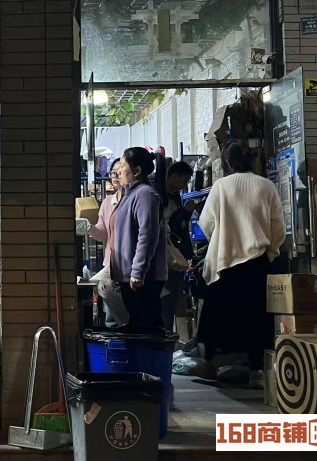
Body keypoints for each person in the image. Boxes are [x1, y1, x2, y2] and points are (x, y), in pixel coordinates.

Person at [196, 140, 286, 388]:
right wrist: (271, 252)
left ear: (227, 163)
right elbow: (278, 226)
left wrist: (223, 238)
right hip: (257, 263)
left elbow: (206, 223)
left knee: (216, 314)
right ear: (252, 160)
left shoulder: (221, 186)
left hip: (226, 261)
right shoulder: (266, 186)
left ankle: (211, 363)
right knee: (257, 317)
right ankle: (257, 371)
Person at [111, 147, 168, 328]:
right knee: (137, 326)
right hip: (130, 276)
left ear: (136, 171)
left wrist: (138, 271)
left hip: (144, 278)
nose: (118, 171)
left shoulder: (145, 195)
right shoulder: (128, 195)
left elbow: (147, 235)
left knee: (146, 327)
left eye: (122, 166)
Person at [87, 158, 129, 326]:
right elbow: (102, 234)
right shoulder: (107, 202)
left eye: (119, 172)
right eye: (113, 172)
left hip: (130, 265)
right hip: (110, 266)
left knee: (130, 313)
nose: (115, 176)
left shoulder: (134, 199)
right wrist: (89, 228)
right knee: (111, 316)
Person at [161, 161, 196, 331]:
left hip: (176, 256)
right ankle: (165, 338)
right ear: (175, 176)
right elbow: (167, 227)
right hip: (168, 258)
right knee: (166, 304)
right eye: (185, 180)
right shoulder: (161, 196)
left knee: (172, 301)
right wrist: (185, 212)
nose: (185, 185)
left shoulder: (174, 195)